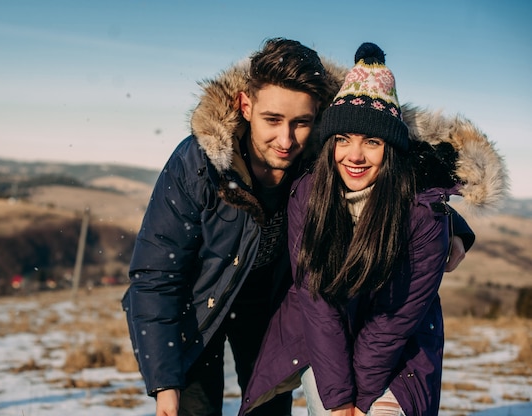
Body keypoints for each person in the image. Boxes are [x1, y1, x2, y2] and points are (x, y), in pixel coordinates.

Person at [122, 38, 474, 416]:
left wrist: (452, 221)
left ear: (318, 115)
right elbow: (156, 273)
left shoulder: (322, 155)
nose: (286, 140)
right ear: (245, 106)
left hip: (274, 308)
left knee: (268, 408)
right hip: (199, 305)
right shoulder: (198, 164)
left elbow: (397, 170)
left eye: (301, 123)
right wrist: (164, 383)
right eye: (272, 120)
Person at [238, 43, 508, 416]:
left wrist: (360, 401)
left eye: (372, 142)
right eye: (344, 139)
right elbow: (317, 301)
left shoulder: (423, 218)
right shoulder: (310, 196)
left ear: (392, 149)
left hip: (400, 349)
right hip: (324, 338)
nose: (355, 155)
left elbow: (392, 322)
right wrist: (339, 400)